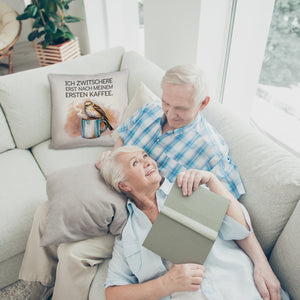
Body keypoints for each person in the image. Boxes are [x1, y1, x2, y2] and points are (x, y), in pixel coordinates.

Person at [19, 65, 280, 299]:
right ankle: (36, 284)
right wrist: (113, 158)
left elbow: (229, 211)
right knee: (49, 208)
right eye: (167, 102)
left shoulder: (211, 151)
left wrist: (261, 263)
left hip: (143, 212)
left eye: (180, 108)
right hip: (120, 184)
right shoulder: (151, 110)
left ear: (203, 104)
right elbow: (123, 138)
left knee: (74, 253)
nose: (169, 112)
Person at [100, 145, 287, 300]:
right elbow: (113, 293)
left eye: (145, 156)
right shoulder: (128, 236)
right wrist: (166, 283)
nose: (148, 161)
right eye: (135, 163)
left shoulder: (189, 188)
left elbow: (240, 229)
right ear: (124, 185)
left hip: (244, 289)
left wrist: (212, 180)